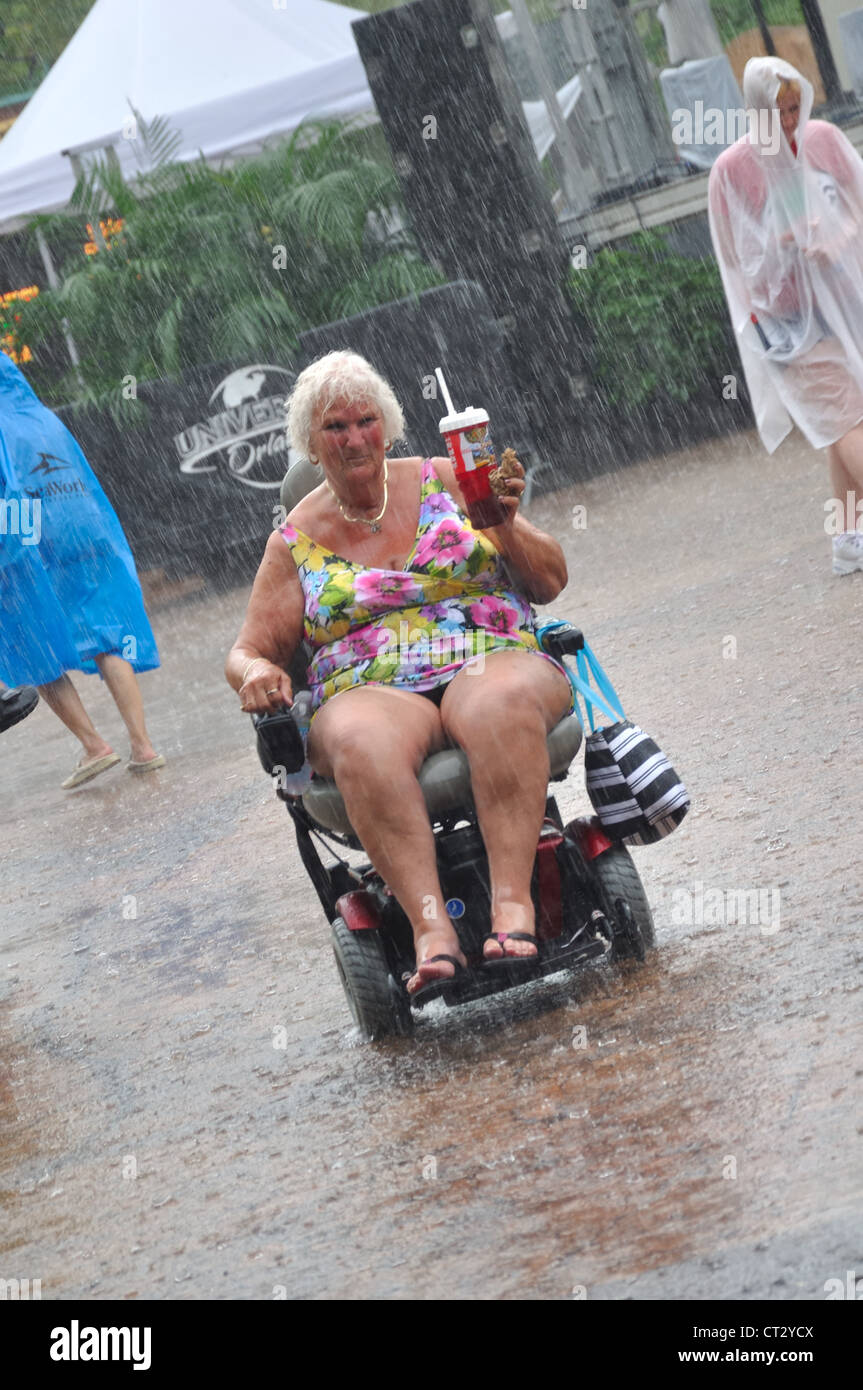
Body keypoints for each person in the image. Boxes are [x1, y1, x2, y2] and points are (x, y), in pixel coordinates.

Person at [226, 351, 573, 997]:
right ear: (309, 442)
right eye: (335, 428)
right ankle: (431, 932)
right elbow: (249, 648)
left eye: (364, 421)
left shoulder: (453, 478)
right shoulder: (292, 539)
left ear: (386, 426)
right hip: (368, 684)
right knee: (359, 740)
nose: (354, 438)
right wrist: (253, 674)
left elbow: (549, 580)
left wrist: (500, 525)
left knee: (499, 703)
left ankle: (512, 909)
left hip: (486, 649)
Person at [708, 57, 863, 575]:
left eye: (795, 107)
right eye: (780, 112)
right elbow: (735, 257)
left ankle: (848, 536)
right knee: (847, 417)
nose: (791, 122)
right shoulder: (732, 169)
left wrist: (834, 239)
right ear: (756, 109)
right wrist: (780, 251)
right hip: (784, 321)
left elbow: (858, 208)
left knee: (841, 419)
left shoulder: (821, 141)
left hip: (840, 301)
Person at [0, 351, 164, 788]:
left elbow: (9, 494)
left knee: (40, 650)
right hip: (86, 533)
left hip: (29, 543)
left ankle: (94, 746)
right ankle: (143, 747)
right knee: (107, 636)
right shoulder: (44, 419)